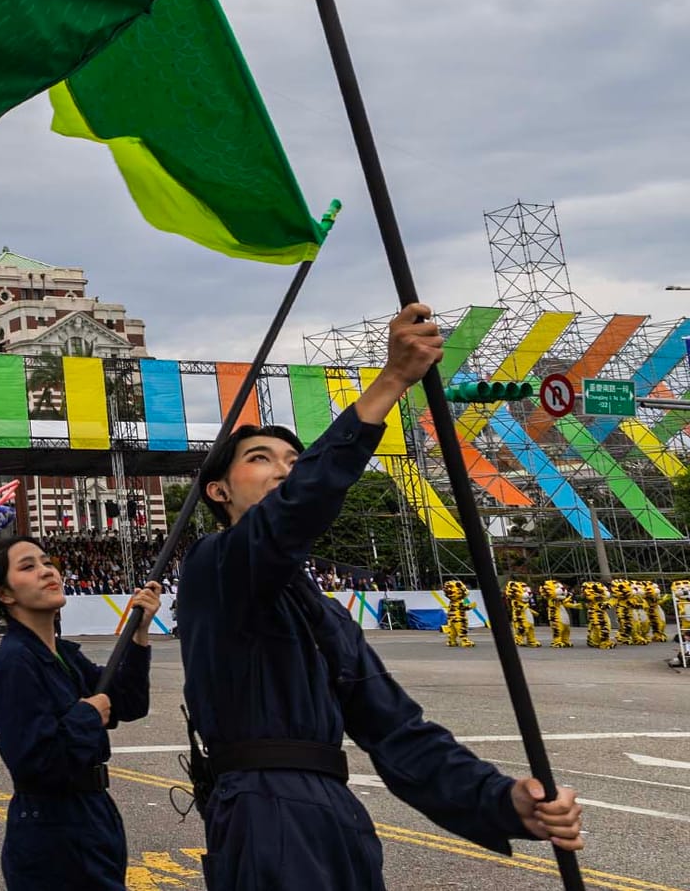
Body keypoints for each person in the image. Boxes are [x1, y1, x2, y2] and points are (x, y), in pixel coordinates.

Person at [178, 304, 585, 890]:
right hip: (265, 813)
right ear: (218, 490)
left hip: (336, 815)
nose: (285, 470)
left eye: (295, 460)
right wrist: (391, 381)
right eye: (260, 459)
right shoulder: (213, 566)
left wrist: (502, 800)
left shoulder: (321, 612)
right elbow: (293, 514)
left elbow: (398, 731)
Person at [0, 534, 160, 888]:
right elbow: (33, 760)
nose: (47, 571)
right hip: (52, 825)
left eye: (48, 563)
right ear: (4, 594)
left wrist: (140, 635)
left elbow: (129, 703)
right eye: (28, 567)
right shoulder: (16, 661)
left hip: (92, 814)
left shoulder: (65, 655)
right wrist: (87, 716)